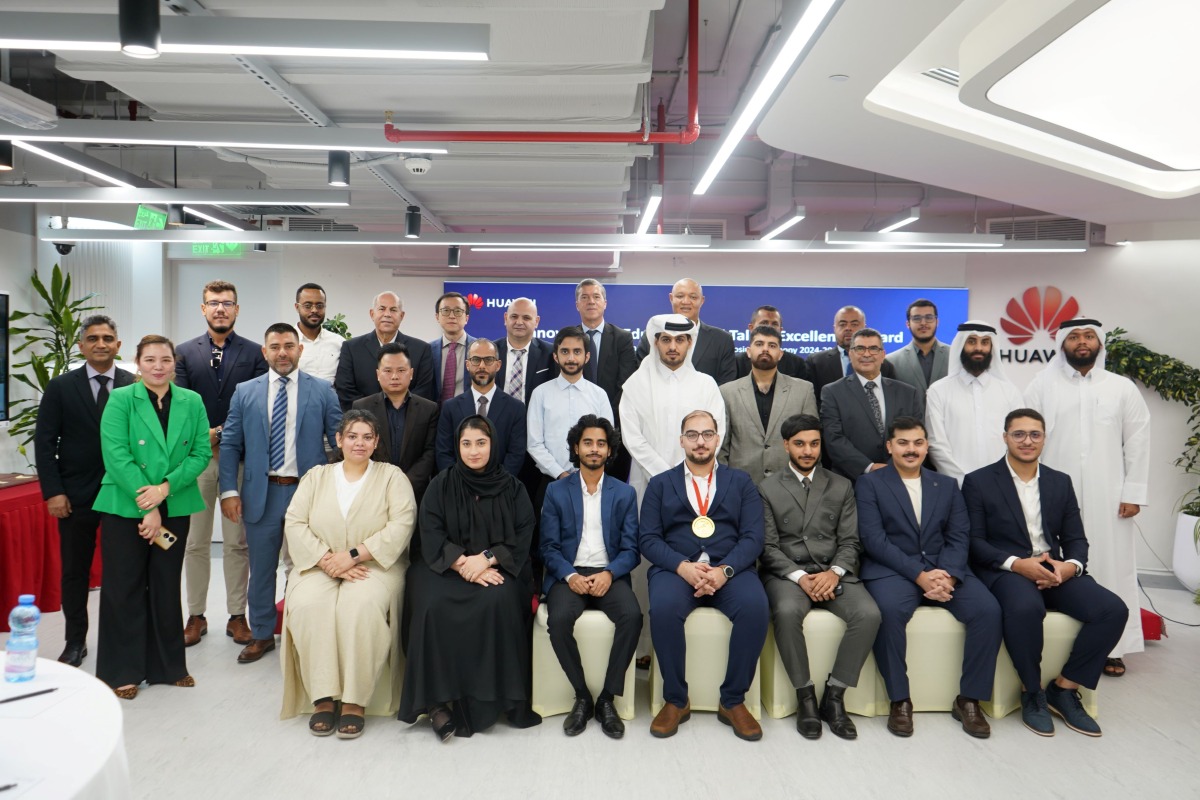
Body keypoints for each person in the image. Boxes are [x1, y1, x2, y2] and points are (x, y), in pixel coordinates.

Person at [963, 409, 1127, 737]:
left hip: (1054, 569)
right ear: (1005, 437)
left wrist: (1070, 567)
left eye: (1034, 434)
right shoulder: (978, 481)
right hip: (1007, 570)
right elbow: (973, 542)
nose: (1027, 441)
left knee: (1113, 610)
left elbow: (1076, 539)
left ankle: (1064, 689)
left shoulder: (1059, 481)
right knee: (1026, 608)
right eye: (1019, 434)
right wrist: (1016, 564)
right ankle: (1032, 691)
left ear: (1044, 438)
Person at [855, 417, 1001, 738]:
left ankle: (969, 699)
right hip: (893, 570)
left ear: (926, 446)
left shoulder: (946, 485)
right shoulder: (869, 484)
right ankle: (900, 700)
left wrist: (946, 574)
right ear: (890, 446)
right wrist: (920, 575)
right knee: (888, 613)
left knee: (988, 610)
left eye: (918, 443)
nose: (911, 450)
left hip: (943, 569)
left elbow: (959, 534)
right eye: (903, 443)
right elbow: (873, 539)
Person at [398, 416, 542, 740]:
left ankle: (484, 702)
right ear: (457, 446)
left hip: (498, 567)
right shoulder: (441, 484)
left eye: (481, 443)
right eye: (466, 443)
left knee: (498, 600)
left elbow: (523, 535)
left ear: (493, 445)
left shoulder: (513, 488)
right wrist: (463, 563)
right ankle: (436, 702)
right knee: (431, 604)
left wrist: (487, 559)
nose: (474, 451)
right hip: (445, 567)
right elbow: (430, 530)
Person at [1023, 318, 1150, 677]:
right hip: (1053, 494)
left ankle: (1113, 646)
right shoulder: (1040, 387)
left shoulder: (1121, 388)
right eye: (1074, 336)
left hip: (1109, 495)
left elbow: (1138, 441)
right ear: (1062, 343)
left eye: (1089, 336)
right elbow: (1027, 439)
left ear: (1099, 343)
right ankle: (1057, 643)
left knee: (1112, 564)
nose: (1082, 342)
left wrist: (1134, 492)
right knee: (1054, 560)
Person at [281, 410, 417, 738]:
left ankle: (355, 699)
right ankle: (324, 698)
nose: (359, 443)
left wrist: (353, 555)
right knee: (309, 606)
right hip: (319, 564)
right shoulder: (316, 476)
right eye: (352, 436)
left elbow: (402, 523)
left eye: (367, 436)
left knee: (359, 608)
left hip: (373, 565)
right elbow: (295, 521)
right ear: (339, 440)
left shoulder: (392, 477)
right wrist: (328, 559)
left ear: (376, 442)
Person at [93, 335, 212, 699]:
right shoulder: (120, 399)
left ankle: (168, 666)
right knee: (124, 587)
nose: (158, 366)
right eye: (150, 360)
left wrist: (164, 490)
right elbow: (116, 454)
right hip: (124, 506)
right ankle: (121, 672)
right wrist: (149, 505)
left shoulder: (192, 401)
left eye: (165, 359)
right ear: (137, 362)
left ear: (174, 362)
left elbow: (201, 453)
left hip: (173, 504)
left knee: (164, 585)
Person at [640, 410, 769, 742]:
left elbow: (754, 537)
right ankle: (676, 700)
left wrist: (725, 571)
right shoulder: (659, 484)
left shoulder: (741, 482)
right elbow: (648, 539)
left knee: (755, 607)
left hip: (730, 570)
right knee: (664, 609)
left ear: (718, 438)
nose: (700, 441)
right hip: (677, 570)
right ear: (681, 440)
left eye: (707, 434)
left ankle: (733, 700)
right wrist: (682, 566)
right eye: (693, 434)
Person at [218, 323, 342, 665]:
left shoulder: (322, 391)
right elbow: (229, 444)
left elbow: (341, 443)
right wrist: (229, 491)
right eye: (275, 346)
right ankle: (261, 634)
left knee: (305, 569)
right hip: (262, 494)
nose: (283, 352)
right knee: (261, 569)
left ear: (300, 350)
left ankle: (301, 631)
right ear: (265, 351)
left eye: (289, 345)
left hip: (308, 494)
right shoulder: (246, 392)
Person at [758, 413, 881, 740]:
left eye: (814, 443)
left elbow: (851, 540)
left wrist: (834, 572)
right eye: (799, 444)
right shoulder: (767, 488)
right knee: (785, 612)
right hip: (787, 575)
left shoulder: (841, 485)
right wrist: (801, 577)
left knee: (869, 614)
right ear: (786, 445)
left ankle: (835, 696)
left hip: (834, 571)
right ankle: (806, 698)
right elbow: (768, 547)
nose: (808, 450)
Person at [34, 315, 134, 667]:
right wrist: (54, 492)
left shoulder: (132, 385)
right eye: (93, 338)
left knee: (124, 571)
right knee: (75, 572)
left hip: (124, 494)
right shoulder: (61, 387)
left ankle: (122, 642)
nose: (101, 344)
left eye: (108, 337)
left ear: (118, 345)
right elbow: (44, 443)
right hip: (75, 496)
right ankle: (75, 641)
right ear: (82, 346)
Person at [174, 280, 268, 648]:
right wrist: (206, 436)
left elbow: (256, 403)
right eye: (213, 303)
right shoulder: (183, 353)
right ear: (203, 309)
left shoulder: (254, 353)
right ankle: (195, 615)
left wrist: (224, 433)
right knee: (195, 542)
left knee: (236, 543)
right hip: (196, 461)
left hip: (238, 459)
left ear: (237, 309)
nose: (220, 309)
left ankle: (236, 615)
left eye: (227, 303)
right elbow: (181, 404)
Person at [539, 415, 641, 739]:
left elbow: (631, 550)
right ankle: (582, 696)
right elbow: (549, 547)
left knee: (632, 616)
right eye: (588, 443)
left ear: (609, 450)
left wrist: (610, 574)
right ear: (575, 447)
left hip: (607, 575)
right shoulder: (556, 491)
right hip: (570, 575)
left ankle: (607, 698)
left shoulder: (624, 494)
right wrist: (569, 576)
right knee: (559, 620)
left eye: (601, 443)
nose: (594, 449)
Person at [620, 314, 727, 502]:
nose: (672, 347)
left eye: (679, 340)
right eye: (666, 339)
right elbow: (632, 438)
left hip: (696, 481)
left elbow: (714, 434)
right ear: (655, 343)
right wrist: (666, 476)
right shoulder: (635, 385)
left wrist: (684, 472)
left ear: (690, 343)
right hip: (649, 483)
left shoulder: (706, 385)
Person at [926, 322, 1024, 486]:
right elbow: (937, 445)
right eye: (971, 341)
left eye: (985, 342)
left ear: (991, 348)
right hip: (956, 487)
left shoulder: (1010, 392)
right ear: (961, 346)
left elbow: (1019, 439)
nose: (979, 348)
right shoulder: (938, 391)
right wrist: (964, 481)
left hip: (1004, 485)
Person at [719, 324, 817, 484]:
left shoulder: (803, 390)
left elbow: (812, 443)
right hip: (740, 485)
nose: (765, 349)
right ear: (748, 351)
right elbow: (722, 447)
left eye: (772, 345)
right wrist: (725, 484)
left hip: (790, 484)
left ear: (780, 354)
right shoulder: (727, 392)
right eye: (759, 344)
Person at [820, 328, 924, 480]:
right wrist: (869, 467)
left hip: (900, 477)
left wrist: (894, 467)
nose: (867, 354)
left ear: (883, 355)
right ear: (850, 354)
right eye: (860, 348)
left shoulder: (908, 393)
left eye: (874, 349)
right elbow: (833, 438)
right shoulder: (832, 392)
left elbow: (917, 436)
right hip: (852, 481)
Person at [350, 343, 439, 506]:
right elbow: (358, 450)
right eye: (388, 370)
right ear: (378, 374)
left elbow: (430, 452)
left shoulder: (429, 409)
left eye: (401, 370)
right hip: (372, 493)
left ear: (411, 373)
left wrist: (404, 484)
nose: (395, 376)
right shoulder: (361, 407)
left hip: (416, 494)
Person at [527, 327, 615, 483]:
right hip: (551, 480)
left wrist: (587, 473)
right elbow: (534, 444)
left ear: (587, 356)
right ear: (555, 356)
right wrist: (560, 474)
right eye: (565, 352)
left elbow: (607, 440)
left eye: (577, 351)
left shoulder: (599, 394)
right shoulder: (540, 394)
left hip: (592, 480)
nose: (571, 358)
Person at [575, 278, 637, 481]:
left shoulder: (622, 338)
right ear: (577, 304)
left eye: (596, 297)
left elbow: (626, 385)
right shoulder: (568, 338)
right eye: (584, 297)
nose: (591, 301)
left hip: (614, 431)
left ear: (605, 303)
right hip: (576, 427)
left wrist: (604, 423)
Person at [435, 338, 527, 476]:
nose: (482, 366)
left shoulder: (515, 408)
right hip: (459, 487)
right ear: (467, 365)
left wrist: (496, 485)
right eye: (476, 360)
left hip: (500, 488)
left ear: (498, 365)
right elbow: (443, 452)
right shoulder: (450, 408)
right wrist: (460, 484)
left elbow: (516, 454)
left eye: (488, 360)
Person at [335, 291, 435, 408]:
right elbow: (345, 390)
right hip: (363, 420)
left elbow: (424, 391)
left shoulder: (421, 349)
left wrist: (397, 413)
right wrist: (375, 415)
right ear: (372, 314)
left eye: (393, 310)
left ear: (401, 316)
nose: (387, 314)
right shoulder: (351, 348)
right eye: (382, 309)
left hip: (408, 421)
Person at [635, 278, 737, 385]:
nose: (686, 302)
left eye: (693, 297)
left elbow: (727, 385)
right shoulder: (652, 336)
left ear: (702, 301)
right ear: (671, 298)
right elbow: (641, 379)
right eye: (680, 296)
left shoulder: (722, 340)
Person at [806, 306, 896, 408]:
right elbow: (811, 402)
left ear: (864, 327)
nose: (848, 328)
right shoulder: (816, 362)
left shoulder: (884, 365)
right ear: (834, 328)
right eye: (842, 324)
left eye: (854, 324)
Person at [495, 297, 558, 403]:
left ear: (536, 321)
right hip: (496, 418)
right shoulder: (491, 351)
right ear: (505, 318)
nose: (519, 322)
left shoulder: (550, 353)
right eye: (514, 316)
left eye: (526, 318)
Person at [886, 299, 950, 399]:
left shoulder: (954, 355)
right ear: (908, 324)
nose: (923, 323)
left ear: (937, 322)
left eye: (929, 317)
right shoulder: (891, 361)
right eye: (917, 318)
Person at [734, 305, 809, 381]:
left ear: (780, 330)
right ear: (751, 328)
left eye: (774, 324)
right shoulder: (736, 363)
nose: (769, 327)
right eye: (764, 323)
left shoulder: (797, 364)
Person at [429, 291, 476, 404]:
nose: (451, 316)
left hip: (469, 415)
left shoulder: (479, 349)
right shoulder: (427, 350)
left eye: (458, 311)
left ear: (467, 318)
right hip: (435, 416)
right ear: (437, 317)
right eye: (445, 311)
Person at [294, 283, 343, 384]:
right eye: (307, 306)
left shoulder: (339, 342)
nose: (314, 310)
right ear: (297, 307)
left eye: (319, 305)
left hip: (331, 399)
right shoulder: (288, 343)